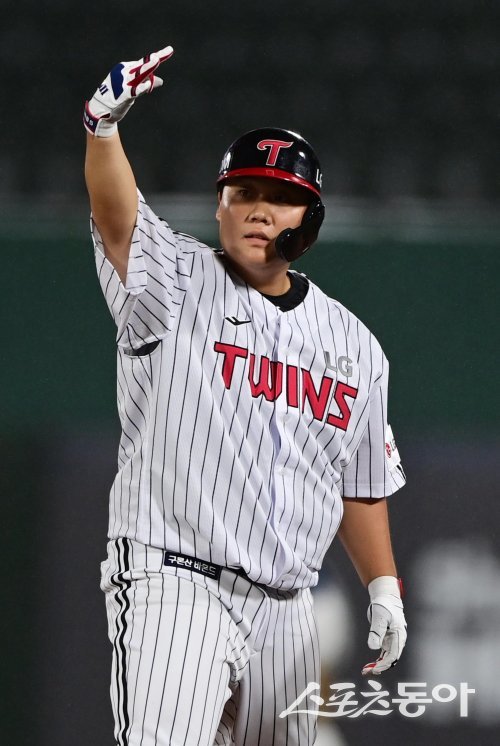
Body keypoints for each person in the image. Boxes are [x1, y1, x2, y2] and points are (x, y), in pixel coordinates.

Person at [84, 46, 407, 746]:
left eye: (281, 197)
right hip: (175, 583)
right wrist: (102, 130)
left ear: (311, 217)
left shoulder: (355, 346)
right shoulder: (173, 281)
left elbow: (360, 482)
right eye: (243, 193)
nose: (259, 210)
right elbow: (117, 218)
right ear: (220, 205)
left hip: (287, 608)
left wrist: (384, 586)